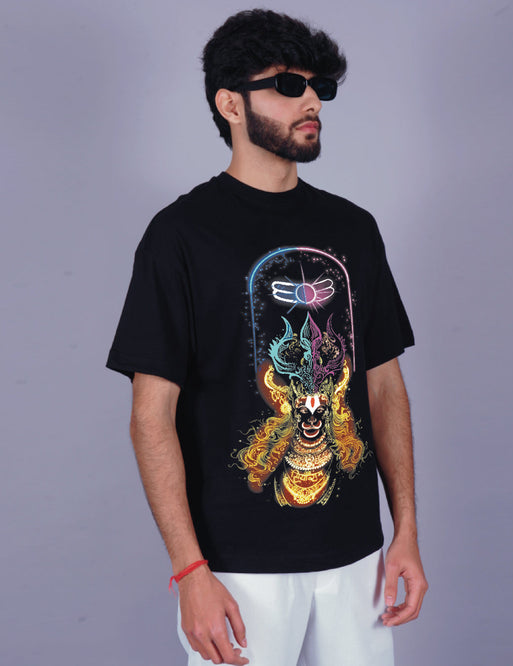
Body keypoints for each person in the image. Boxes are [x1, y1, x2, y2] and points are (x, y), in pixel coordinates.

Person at [106, 8, 428, 666]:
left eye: (318, 87)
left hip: (358, 560)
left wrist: (406, 532)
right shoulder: (181, 236)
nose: (312, 102)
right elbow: (150, 417)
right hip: (236, 569)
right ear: (230, 103)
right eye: (287, 85)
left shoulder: (353, 228)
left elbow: (383, 387)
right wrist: (190, 571)